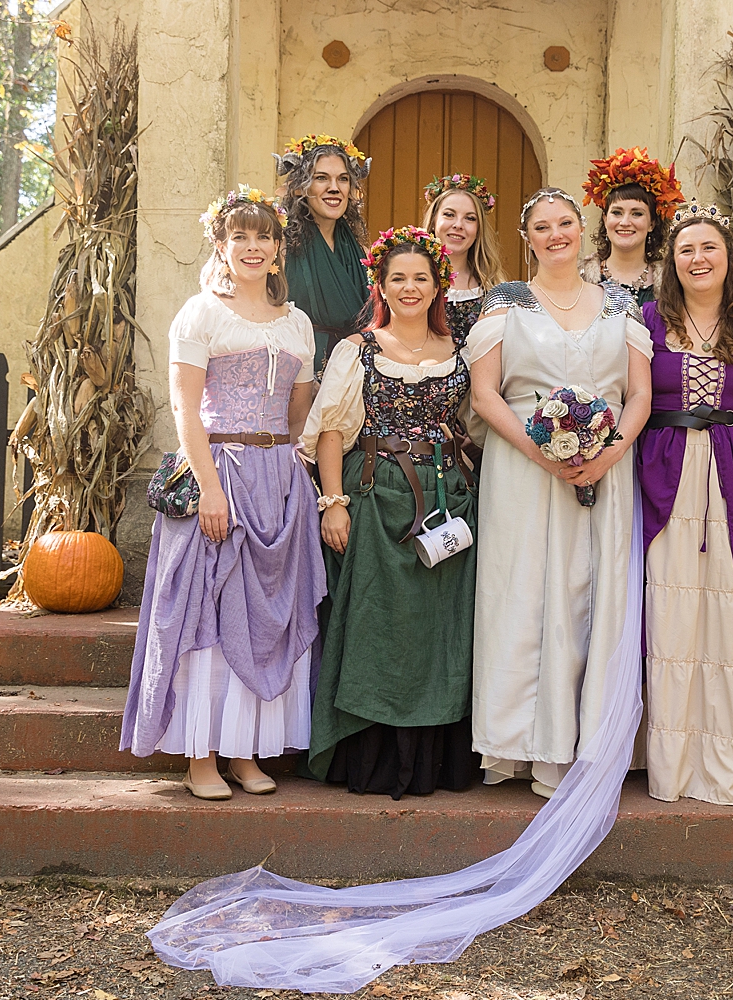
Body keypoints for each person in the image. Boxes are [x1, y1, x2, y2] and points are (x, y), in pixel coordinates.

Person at [121, 187, 325, 799]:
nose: (253, 247)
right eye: (240, 237)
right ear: (221, 244)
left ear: (279, 248)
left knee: (266, 616)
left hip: (278, 478)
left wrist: (292, 476)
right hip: (219, 471)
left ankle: (244, 750)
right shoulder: (200, 313)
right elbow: (186, 410)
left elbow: (298, 412)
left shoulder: (297, 323)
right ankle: (201, 758)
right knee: (208, 615)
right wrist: (211, 488)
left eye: (264, 237)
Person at [466, 187, 653, 799]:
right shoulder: (506, 303)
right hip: (523, 470)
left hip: (605, 467)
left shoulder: (620, 303)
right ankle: (523, 742)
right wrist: (540, 451)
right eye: (541, 227)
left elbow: (641, 394)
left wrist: (608, 453)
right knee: (523, 592)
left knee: (593, 592)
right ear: (527, 239)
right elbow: (486, 393)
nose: (555, 235)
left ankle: (589, 741)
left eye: (565, 223)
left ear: (582, 228)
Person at [302, 227, 480, 799]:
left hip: (447, 501)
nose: (409, 288)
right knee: (379, 624)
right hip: (376, 498)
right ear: (381, 284)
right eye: (397, 278)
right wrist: (333, 503)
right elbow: (332, 430)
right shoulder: (358, 350)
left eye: (420, 278)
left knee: (439, 628)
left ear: (438, 287)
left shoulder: (461, 352)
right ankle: (372, 759)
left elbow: (476, 426)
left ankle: (435, 760)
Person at [637, 201, 733, 806]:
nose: (699, 259)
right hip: (666, 471)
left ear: (729, 257)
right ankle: (668, 764)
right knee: (667, 610)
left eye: (710, 248)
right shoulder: (649, 321)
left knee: (732, 610)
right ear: (671, 263)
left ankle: (724, 764)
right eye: (686, 250)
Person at [276, 134, 371, 375]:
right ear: (300, 187)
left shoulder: (360, 249)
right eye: (321, 178)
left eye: (343, 179)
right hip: (297, 366)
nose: (334, 188)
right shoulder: (280, 245)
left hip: (351, 368)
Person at [579, 147, 684, 307]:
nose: (625, 222)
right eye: (617, 212)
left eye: (637, 214)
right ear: (605, 219)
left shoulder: (671, 282)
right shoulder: (580, 277)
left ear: (652, 223)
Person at [421, 174, 508, 340]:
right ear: (433, 220)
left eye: (470, 218)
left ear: (478, 229)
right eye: (449, 214)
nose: (458, 225)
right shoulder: (409, 280)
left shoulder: (492, 287)